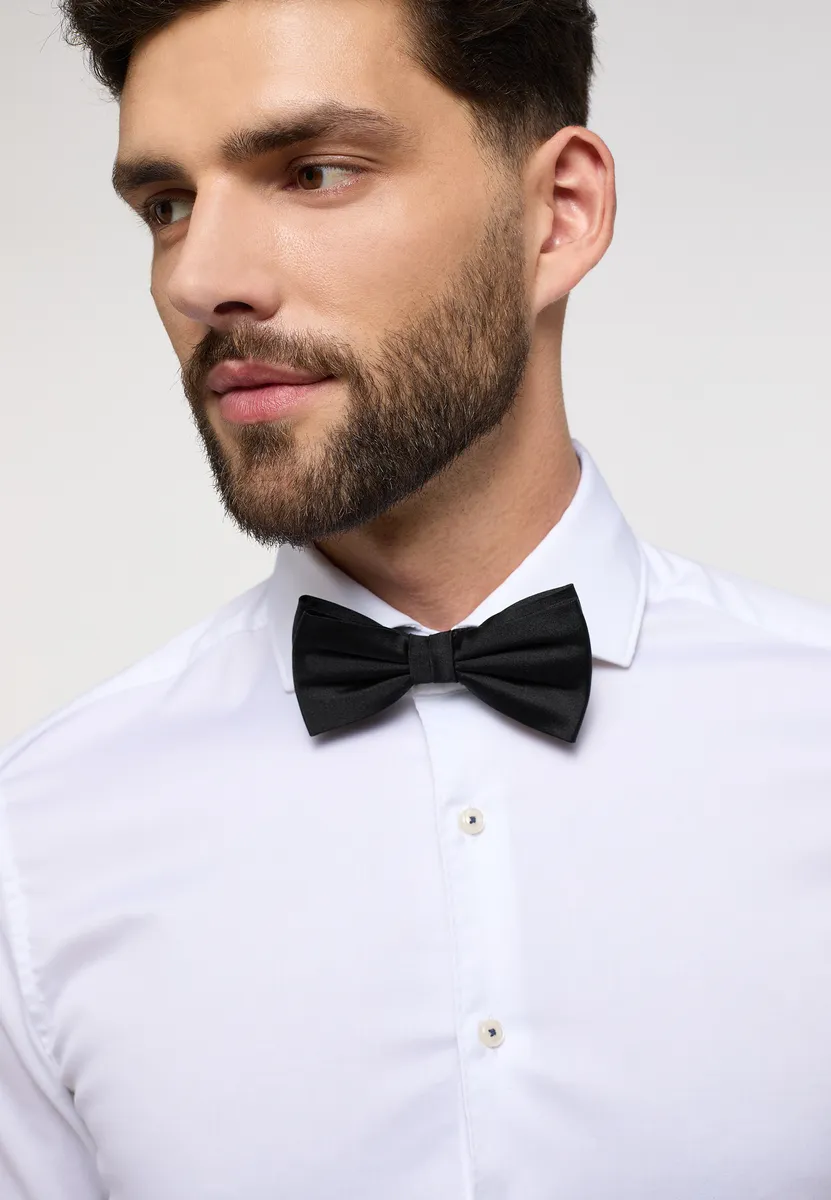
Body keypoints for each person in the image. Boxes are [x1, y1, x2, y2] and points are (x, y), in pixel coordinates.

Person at [2, 0, 830, 1195]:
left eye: (314, 172)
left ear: (558, 215)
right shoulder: (35, 849)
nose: (200, 279)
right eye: (168, 205)